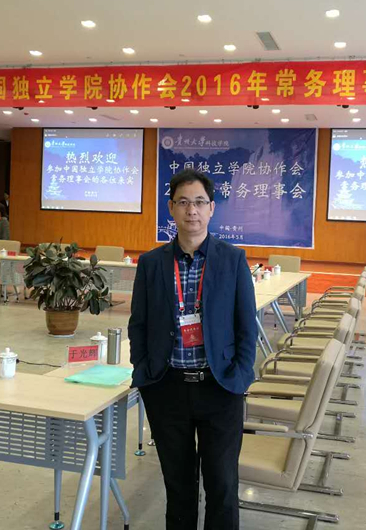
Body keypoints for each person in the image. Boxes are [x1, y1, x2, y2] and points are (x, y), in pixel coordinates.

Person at [128, 169, 257, 530]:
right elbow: (139, 323)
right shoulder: (152, 263)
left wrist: (239, 376)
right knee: (178, 486)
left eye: (199, 202)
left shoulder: (233, 260)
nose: (192, 210)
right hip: (167, 388)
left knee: (222, 485)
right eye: (183, 202)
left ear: (212, 208)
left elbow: (246, 326)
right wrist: (144, 371)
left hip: (220, 387)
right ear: (171, 208)